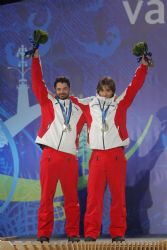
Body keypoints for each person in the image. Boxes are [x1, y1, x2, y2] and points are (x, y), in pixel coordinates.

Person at [71, 56, 149, 242]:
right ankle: (91, 233)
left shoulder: (120, 103)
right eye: (103, 90)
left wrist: (143, 67)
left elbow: (134, 87)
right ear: (98, 90)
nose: (106, 94)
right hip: (97, 156)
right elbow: (67, 100)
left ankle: (117, 232)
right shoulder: (89, 104)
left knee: (118, 197)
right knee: (94, 198)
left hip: (116, 156)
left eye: (109, 91)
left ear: (113, 91)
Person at [31, 49, 86, 243]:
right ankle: (44, 234)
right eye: (59, 89)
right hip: (50, 155)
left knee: (72, 199)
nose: (62, 91)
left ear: (69, 89)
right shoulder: (48, 103)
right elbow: (38, 82)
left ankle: (73, 233)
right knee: (46, 197)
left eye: (65, 88)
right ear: (55, 90)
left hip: (70, 158)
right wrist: (36, 59)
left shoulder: (80, 107)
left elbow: (104, 103)